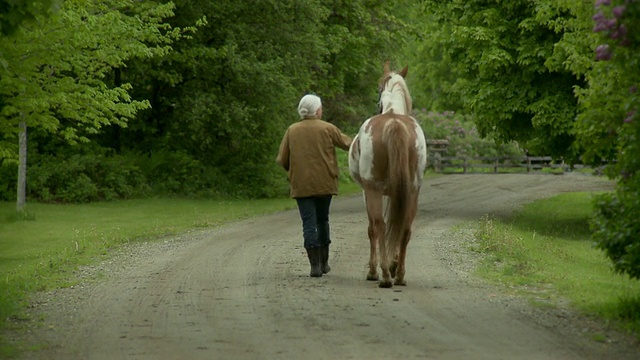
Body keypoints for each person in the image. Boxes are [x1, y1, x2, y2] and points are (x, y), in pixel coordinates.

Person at [276, 94, 352, 277]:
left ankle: (314, 266)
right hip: (325, 183)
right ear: (317, 111)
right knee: (322, 220)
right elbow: (348, 144)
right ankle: (325, 263)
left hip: (301, 185)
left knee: (308, 223)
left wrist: (293, 172)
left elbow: (282, 159)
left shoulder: (291, 130)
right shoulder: (328, 128)